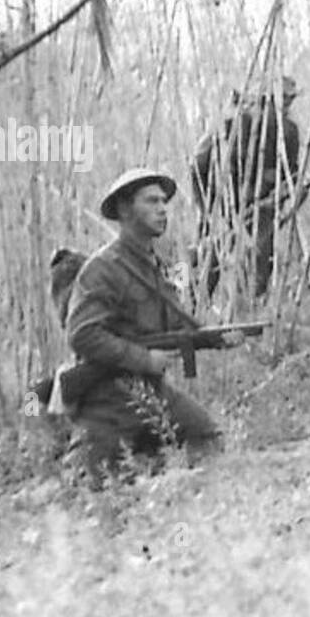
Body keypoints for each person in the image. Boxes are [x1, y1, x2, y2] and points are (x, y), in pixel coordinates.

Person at [64, 168, 241, 479]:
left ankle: (163, 479)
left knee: (207, 439)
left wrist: (216, 338)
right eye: (151, 201)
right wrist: (144, 359)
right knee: (91, 488)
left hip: (151, 391)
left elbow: (176, 326)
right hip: (109, 396)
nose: (162, 209)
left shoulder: (158, 267)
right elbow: (83, 335)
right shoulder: (102, 269)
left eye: (164, 202)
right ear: (124, 209)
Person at [191, 81, 302, 297]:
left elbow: (293, 175)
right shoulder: (229, 127)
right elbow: (198, 163)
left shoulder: (288, 131)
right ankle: (195, 298)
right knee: (211, 252)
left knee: (259, 255)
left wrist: (284, 196)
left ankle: (249, 302)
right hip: (225, 203)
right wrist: (206, 207)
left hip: (260, 203)